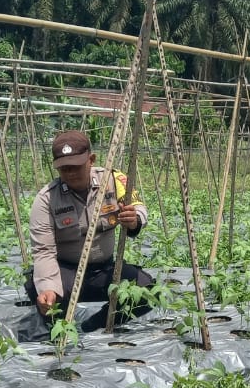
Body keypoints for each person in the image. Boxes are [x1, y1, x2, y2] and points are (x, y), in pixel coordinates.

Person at [23, 129, 155, 335]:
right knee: (38, 290)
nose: (70, 173)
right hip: (65, 272)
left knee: (147, 291)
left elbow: (138, 207)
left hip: (104, 271)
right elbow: (43, 251)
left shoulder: (113, 180)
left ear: (91, 160)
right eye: (64, 169)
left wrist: (134, 220)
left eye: (75, 166)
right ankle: (62, 333)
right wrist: (48, 287)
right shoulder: (47, 199)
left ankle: (94, 325)